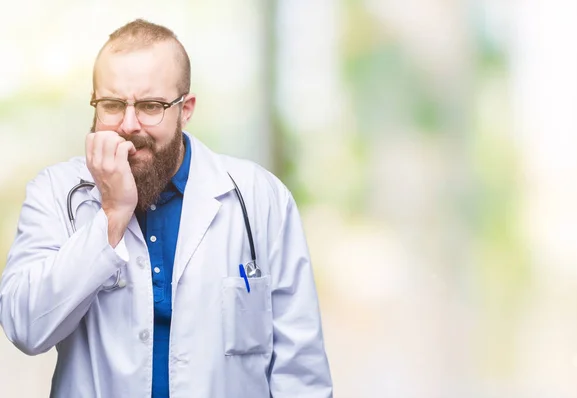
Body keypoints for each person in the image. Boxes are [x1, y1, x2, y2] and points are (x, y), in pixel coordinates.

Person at [0, 19, 332, 398]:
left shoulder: (259, 197)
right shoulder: (56, 193)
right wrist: (111, 215)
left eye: (150, 106)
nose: (128, 124)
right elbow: (26, 328)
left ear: (185, 109)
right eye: (111, 104)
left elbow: (301, 372)